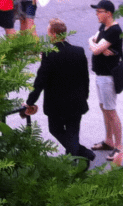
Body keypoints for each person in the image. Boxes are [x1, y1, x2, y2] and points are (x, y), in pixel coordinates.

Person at [24, 18, 95, 162]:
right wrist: (84, 96)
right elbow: (85, 78)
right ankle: (80, 156)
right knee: (73, 133)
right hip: (76, 102)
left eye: (49, 33)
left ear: (54, 35)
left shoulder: (49, 54)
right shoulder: (78, 51)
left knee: (55, 129)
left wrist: (30, 101)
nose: (48, 36)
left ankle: (79, 159)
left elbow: (40, 81)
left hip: (56, 104)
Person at [88, 0, 123, 153]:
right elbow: (94, 40)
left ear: (108, 13)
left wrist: (97, 48)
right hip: (100, 75)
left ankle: (119, 146)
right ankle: (108, 141)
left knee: (111, 110)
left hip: (108, 77)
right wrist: (95, 44)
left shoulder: (115, 30)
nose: (97, 14)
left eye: (99, 11)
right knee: (104, 108)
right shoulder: (103, 27)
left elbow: (95, 49)